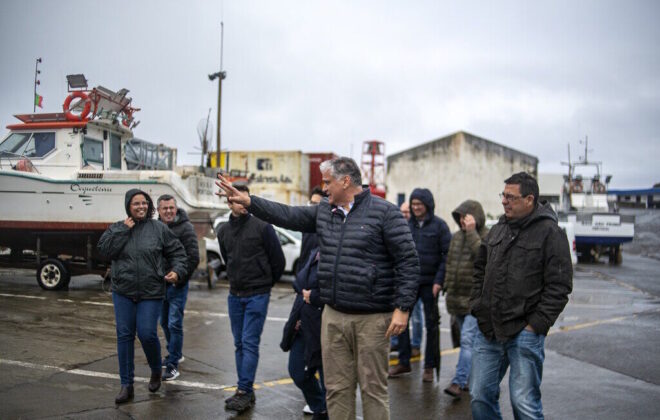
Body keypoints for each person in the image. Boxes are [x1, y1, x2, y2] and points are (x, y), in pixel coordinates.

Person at [216, 157, 419, 420]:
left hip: (371, 319)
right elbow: (287, 215)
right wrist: (251, 202)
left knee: (373, 390)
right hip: (333, 316)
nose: (324, 188)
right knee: (336, 389)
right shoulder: (324, 211)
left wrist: (402, 308)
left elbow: (408, 260)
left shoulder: (385, 212)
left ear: (346, 181)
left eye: (327, 182)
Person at [469, 172, 573, 420]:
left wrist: (535, 326)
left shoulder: (550, 233)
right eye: (503, 195)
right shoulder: (498, 229)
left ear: (529, 199)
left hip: (524, 333)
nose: (504, 201)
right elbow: (479, 269)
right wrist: (477, 304)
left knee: (524, 403)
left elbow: (559, 286)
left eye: (510, 197)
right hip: (489, 330)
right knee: (479, 395)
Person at [98, 189, 187, 404]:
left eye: (144, 203)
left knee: (147, 333)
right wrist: (122, 230)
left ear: (149, 206)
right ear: (128, 206)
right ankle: (126, 385)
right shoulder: (118, 227)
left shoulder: (158, 229)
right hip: (123, 292)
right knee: (125, 336)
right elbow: (104, 251)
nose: (141, 207)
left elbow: (178, 253)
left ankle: (156, 370)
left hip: (151, 291)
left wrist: (178, 271)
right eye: (136, 203)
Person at [217, 184, 285, 413]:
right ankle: (245, 389)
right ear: (229, 203)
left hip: (257, 294)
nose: (242, 202)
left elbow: (278, 261)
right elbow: (228, 258)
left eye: (244, 198)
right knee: (239, 344)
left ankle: (244, 390)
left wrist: (265, 283)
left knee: (249, 342)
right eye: (236, 199)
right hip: (235, 294)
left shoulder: (263, 227)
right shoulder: (223, 230)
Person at [388, 188, 451, 383]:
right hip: (410, 282)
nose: (415, 208)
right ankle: (404, 361)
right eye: (413, 204)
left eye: (419, 205)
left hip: (430, 284)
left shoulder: (440, 227)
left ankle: (430, 366)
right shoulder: (408, 226)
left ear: (428, 205)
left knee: (432, 326)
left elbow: (446, 256)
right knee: (402, 321)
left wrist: (439, 281)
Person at [443, 199, 489, 398]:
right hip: (456, 299)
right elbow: (450, 263)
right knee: (469, 343)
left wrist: (471, 233)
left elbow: (482, 258)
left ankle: (458, 382)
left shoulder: (486, 236)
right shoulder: (455, 237)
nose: (462, 221)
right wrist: (446, 286)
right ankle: (472, 379)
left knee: (468, 340)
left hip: (474, 300)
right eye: (460, 217)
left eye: (466, 217)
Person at [156, 194, 200, 381]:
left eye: (171, 208)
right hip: (159, 285)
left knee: (174, 323)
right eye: (164, 208)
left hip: (177, 285)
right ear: (158, 210)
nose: (168, 211)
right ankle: (176, 352)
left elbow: (193, 257)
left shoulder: (186, 228)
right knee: (164, 322)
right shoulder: (155, 228)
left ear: (176, 208)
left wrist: (179, 276)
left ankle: (173, 364)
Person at [283, 247, 328, 420]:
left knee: (329, 383)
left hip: (325, 326)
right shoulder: (314, 251)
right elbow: (299, 283)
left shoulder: (341, 249)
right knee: (297, 372)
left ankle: (325, 411)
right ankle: (320, 407)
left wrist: (314, 296)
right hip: (304, 324)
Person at [391, 201, 423, 357]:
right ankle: (397, 344)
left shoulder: (414, 229)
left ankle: (415, 344)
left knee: (416, 316)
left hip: (417, 281)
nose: (404, 214)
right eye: (402, 212)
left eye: (406, 212)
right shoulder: (397, 228)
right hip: (400, 280)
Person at [299, 186, 324, 267]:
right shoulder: (306, 224)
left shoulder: (326, 228)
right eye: (311, 203)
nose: (313, 207)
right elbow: (304, 254)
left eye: (316, 204)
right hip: (304, 272)